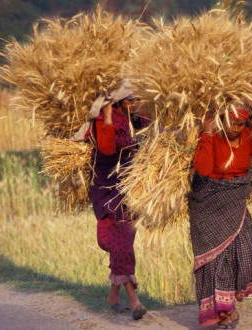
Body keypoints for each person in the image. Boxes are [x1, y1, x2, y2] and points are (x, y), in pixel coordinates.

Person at [188, 103, 252, 329]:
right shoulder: (213, 136)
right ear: (220, 119)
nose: (235, 128)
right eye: (231, 123)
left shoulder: (248, 135)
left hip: (235, 203)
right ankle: (225, 312)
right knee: (216, 261)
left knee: (243, 254)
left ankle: (227, 307)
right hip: (208, 205)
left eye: (240, 124)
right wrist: (206, 133)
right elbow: (204, 169)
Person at [88, 86, 148, 321]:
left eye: (137, 99)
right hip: (106, 188)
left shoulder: (138, 119)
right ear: (120, 100)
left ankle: (114, 296)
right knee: (114, 242)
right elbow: (107, 148)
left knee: (123, 241)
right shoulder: (103, 118)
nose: (135, 103)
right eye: (131, 99)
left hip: (129, 188)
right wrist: (109, 116)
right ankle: (134, 302)